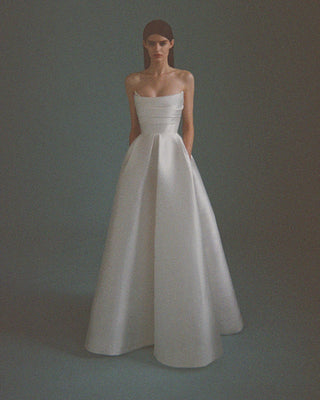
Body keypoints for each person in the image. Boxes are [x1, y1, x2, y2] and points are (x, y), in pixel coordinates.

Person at [85, 19, 243, 368]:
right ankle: (137, 315)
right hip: (141, 159)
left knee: (178, 232)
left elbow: (188, 126)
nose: (156, 49)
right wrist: (130, 169)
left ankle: (186, 314)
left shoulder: (185, 78)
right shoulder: (133, 81)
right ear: (144, 46)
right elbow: (135, 127)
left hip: (175, 160)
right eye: (150, 43)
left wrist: (184, 163)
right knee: (137, 233)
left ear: (172, 44)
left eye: (162, 43)